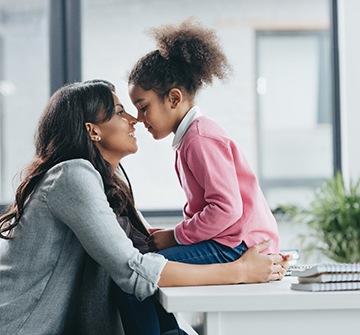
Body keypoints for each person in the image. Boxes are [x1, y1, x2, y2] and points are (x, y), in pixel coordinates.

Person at [0, 81, 289, 335]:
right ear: (92, 131)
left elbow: (144, 248)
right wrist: (239, 271)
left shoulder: (106, 183)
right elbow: (135, 270)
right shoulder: (72, 175)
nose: (134, 120)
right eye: (119, 111)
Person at [128, 18, 279, 265]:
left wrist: (176, 236)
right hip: (231, 239)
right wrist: (174, 234)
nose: (138, 118)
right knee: (147, 264)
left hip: (240, 245)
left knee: (143, 272)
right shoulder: (190, 137)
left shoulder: (200, 139)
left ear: (174, 98)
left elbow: (226, 209)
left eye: (143, 107)